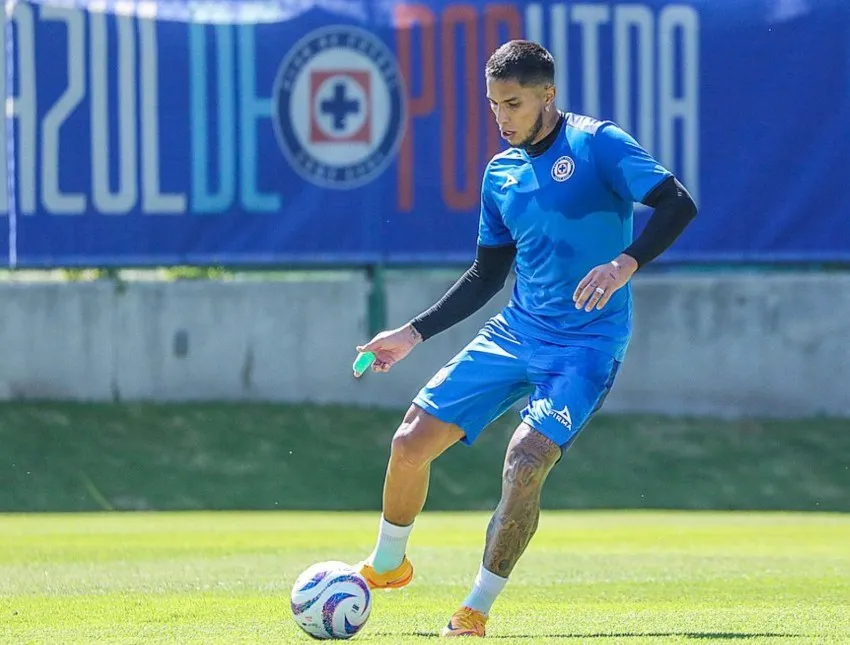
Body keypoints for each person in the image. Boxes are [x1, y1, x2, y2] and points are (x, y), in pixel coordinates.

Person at [354, 39, 698, 638]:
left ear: (548, 95)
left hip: (587, 345)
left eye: (513, 103)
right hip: (516, 332)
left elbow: (676, 203)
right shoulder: (500, 173)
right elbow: (487, 274)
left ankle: (475, 609)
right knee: (409, 443)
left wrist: (625, 263)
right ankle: (388, 565)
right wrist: (412, 333)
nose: (502, 117)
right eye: (493, 105)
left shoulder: (598, 144)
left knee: (525, 460)